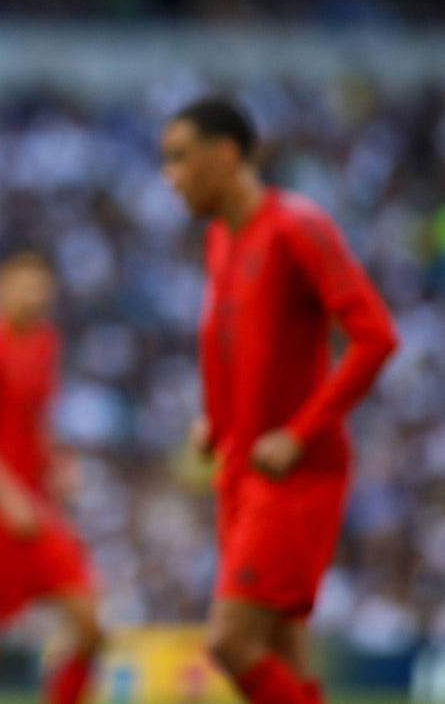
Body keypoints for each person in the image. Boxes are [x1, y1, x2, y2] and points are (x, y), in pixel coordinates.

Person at [161, 96, 397, 704]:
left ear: (226, 154)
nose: (171, 177)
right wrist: (214, 422)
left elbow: (376, 337)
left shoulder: (297, 225)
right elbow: (222, 337)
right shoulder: (220, 239)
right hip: (241, 470)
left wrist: (299, 433)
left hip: (294, 476)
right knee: (284, 649)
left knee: (232, 644)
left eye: (181, 159)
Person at [0, 250, 102, 704]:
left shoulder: (45, 341)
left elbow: (33, 423)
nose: (34, 293)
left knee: (89, 625)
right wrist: (8, 497)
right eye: (24, 282)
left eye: (41, 283)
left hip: (33, 509)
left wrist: (56, 464)